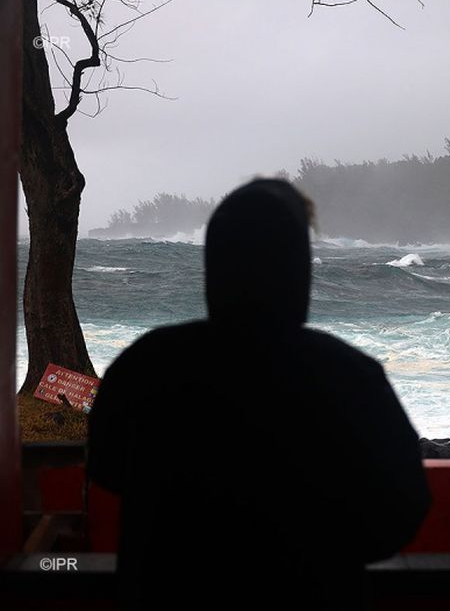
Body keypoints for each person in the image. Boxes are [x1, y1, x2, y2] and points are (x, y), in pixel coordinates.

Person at [87, 179, 430, 607]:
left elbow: (104, 468)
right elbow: (403, 508)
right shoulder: (349, 376)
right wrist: (325, 552)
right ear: (299, 268)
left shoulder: (146, 365)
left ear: (216, 263)